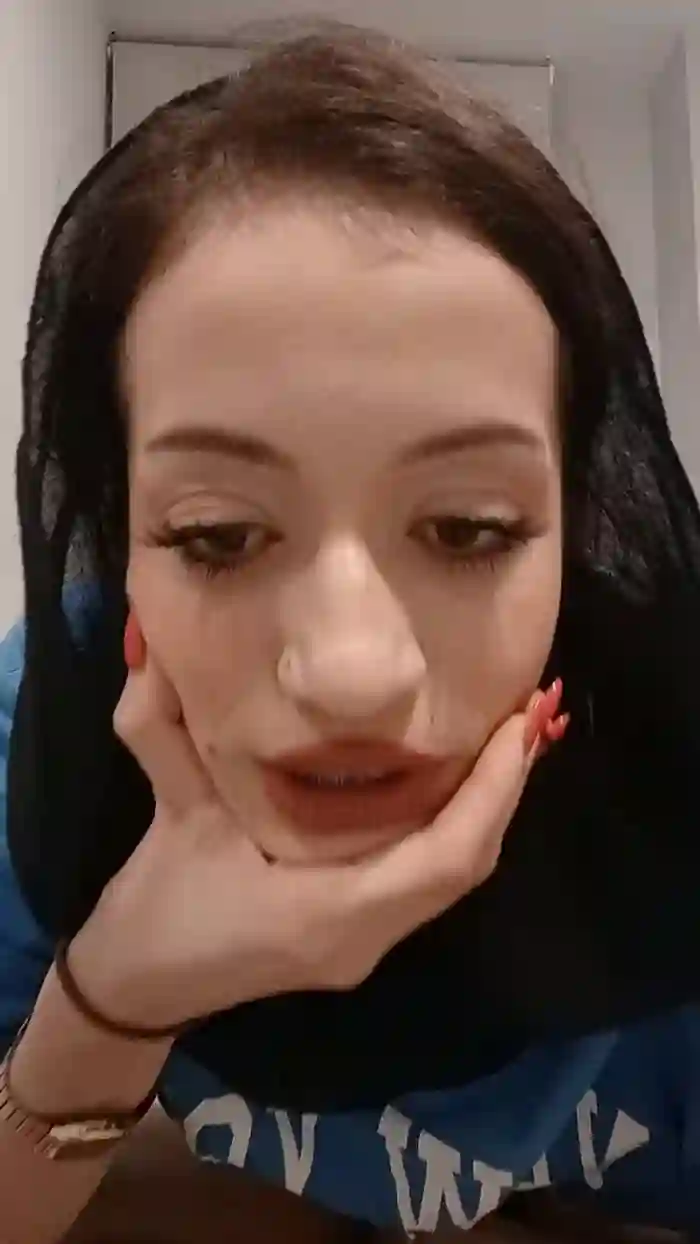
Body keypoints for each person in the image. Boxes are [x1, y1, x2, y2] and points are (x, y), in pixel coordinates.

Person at [1, 22, 700, 1244]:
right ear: (121, 535)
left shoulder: (669, 759)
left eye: (469, 527)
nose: (350, 672)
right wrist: (112, 993)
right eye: (218, 535)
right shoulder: (44, 745)